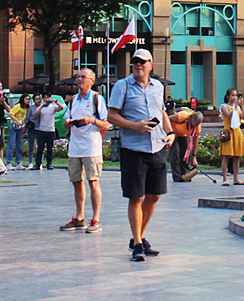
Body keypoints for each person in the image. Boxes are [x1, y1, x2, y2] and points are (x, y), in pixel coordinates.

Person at [108, 49, 175, 261]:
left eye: (142, 62)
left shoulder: (158, 87)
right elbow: (111, 116)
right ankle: (137, 243)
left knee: (154, 195)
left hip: (157, 147)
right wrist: (134, 126)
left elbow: (161, 111)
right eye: (135, 62)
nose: (138, 65)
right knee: (135, 197)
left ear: (150, 65)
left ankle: (139, 236)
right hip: (134, 149)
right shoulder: (122, 86)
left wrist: (170, 132)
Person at [60, 69, 110, 234]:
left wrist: (91, 120)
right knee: (76, 182)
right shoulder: (74, 100)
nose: (80, 79)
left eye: (84, 77)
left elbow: (106, 124)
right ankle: (79, 217)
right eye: (78, 77)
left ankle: (96, 219)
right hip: (75, 148)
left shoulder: (97, 99)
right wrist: (69, 123)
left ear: (91, 81)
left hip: (91, 147)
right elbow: (65, 123)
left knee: (93, 181)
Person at [219, 88, 244, 186]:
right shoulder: (224, 107)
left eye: (236, 95)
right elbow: (230, 115)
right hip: (228, 132)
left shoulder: (237, 107)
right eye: (232, 95)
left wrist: (242, 106)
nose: (234, 97)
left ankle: (236, 178)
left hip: (237, 131)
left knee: (237, 156)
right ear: (228, 96)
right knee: (226, 155)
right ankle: (225, 179)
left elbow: (243, 117)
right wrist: (235, 106)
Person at [168, 108, 203, 182]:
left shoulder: (197, 125)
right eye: (195, 123)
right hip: (173, 133)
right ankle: (177, 176)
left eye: (198, 124)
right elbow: (167, 119)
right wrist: (170, 132)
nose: (196, 126)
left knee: (186, 154)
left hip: (183, 135)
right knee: (175, 154)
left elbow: (195, 141)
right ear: (191, 120)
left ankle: (186, 174)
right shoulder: (183, 116)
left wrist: (194, 157)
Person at [32, 92, 62, 170]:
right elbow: (35, 114)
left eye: (47, 98)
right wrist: (42, 106)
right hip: (41, 130)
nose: (46, 99)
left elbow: (61, 108)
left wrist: (55, 101)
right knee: (40, 148)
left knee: (50, 148)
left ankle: (49, 163)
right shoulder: (41, 107)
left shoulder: (53, 107)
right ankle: (38, 163)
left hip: (51, 130)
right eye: (44, 98)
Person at [5, 93, 30, 170]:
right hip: (14, 126)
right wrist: (16, 120)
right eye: (26, 99)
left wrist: (24, 126)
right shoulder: (18, 106)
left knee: (20, 145)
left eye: (29, 99)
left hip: (21, 126)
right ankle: (8, 162)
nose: (28, 100)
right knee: (11, 144)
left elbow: (25, 118)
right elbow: (10, 114)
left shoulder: (26, 108)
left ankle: (19, 162)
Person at [25, 94, 42, 169]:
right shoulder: (31, 108)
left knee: (40, 146)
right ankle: (30, 162)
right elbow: (27, 118)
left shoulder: (43, 106)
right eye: (36, 99)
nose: (38, 100)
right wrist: (27, 124)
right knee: (31, 145)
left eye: (39, 98)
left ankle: (39, 162)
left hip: (40, 127)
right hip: (32, 127)